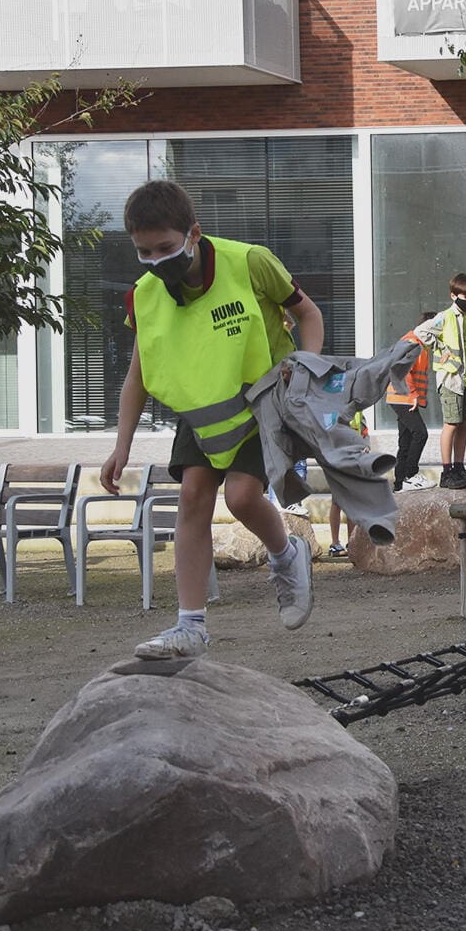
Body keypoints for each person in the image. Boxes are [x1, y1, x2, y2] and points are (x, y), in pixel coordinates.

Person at [101, 179, 319, 660]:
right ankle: (190, 627)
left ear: (193, 233)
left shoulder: (249, 262)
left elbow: (309, 315)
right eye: (144, 252)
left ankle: (287, 555)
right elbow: (138, 374)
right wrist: (122, 445)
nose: (156, 260)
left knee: (241, 497)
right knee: (192, 497)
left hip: (264, 398)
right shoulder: (145, 295)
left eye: (165, 248)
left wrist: (305, 371)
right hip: (204, 408)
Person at [423, 273, 466, 489]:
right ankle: (447, 471)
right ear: (453, 295)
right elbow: (421, 332)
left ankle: (459, 467)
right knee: (451, 423)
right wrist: (441, 348)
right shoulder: (445, 317)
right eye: (465, 296)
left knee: (464, 424)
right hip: (451, 379)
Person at [384, 310, 435, 492]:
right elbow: (402, 370)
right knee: (420, 434)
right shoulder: (413, 343)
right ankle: (411, 475)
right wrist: (413, 395)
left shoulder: (419, 343)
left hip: (402, 397)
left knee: (405, 441)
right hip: (403, 397)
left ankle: (400, 483)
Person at [328, 411, 370, 555]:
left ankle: (351, 542)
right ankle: (335, 544)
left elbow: (364, 432)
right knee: (337, 501)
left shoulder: (358, 412)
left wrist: (365, 447)